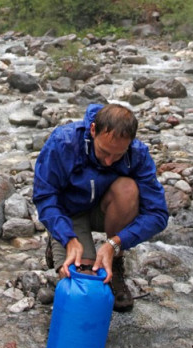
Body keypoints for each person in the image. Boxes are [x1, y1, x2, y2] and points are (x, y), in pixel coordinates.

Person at [33, 102, 169, 312]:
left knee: (127, 189)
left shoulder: (137, 154)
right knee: (83, 285)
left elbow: (158, 214)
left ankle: (114, 261)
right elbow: (45, 196)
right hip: (70, 215)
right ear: (93, 130)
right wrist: (67, 238)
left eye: (117, 155)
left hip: (106, 210)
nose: (108, 161)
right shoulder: (64, 142)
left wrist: (115, 244)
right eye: (104, 151)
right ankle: (59, 240)